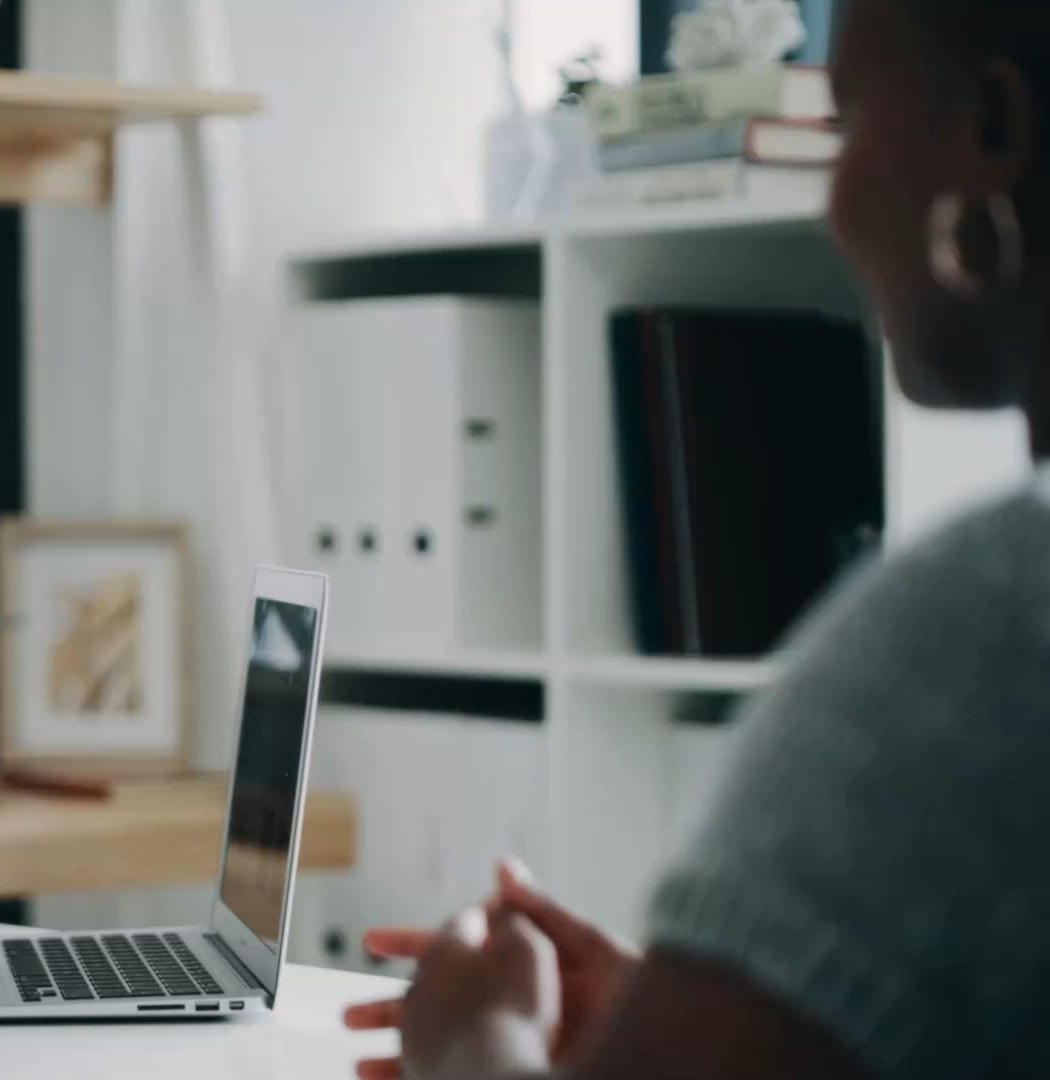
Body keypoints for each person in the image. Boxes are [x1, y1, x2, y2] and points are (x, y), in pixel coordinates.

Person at [344, 3, 1050, 1078]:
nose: (832, 205)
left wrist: (471, 1042)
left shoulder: (986, 635)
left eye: (847, 123)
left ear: (993, 133)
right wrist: (719, 1009)